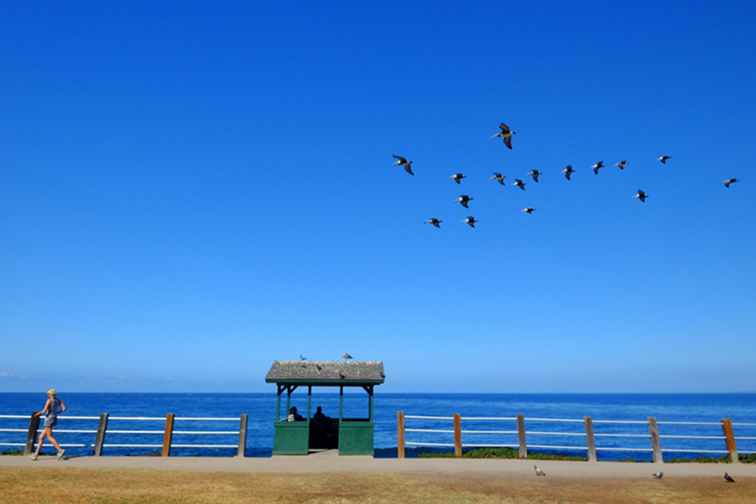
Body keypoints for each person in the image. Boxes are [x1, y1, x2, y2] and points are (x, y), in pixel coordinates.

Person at [31, 388, 67, 461]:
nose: (47, 395)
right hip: (54, 418)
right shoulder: (58, 400)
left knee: (49, 436)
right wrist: (56, 413)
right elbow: (64, 409)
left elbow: (44, 411)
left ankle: (60, 450)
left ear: (50, 394)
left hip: (48, 420)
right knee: (41, 437)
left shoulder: (49, 400)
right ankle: (35, 455)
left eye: (48, 393)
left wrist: (36, 414)